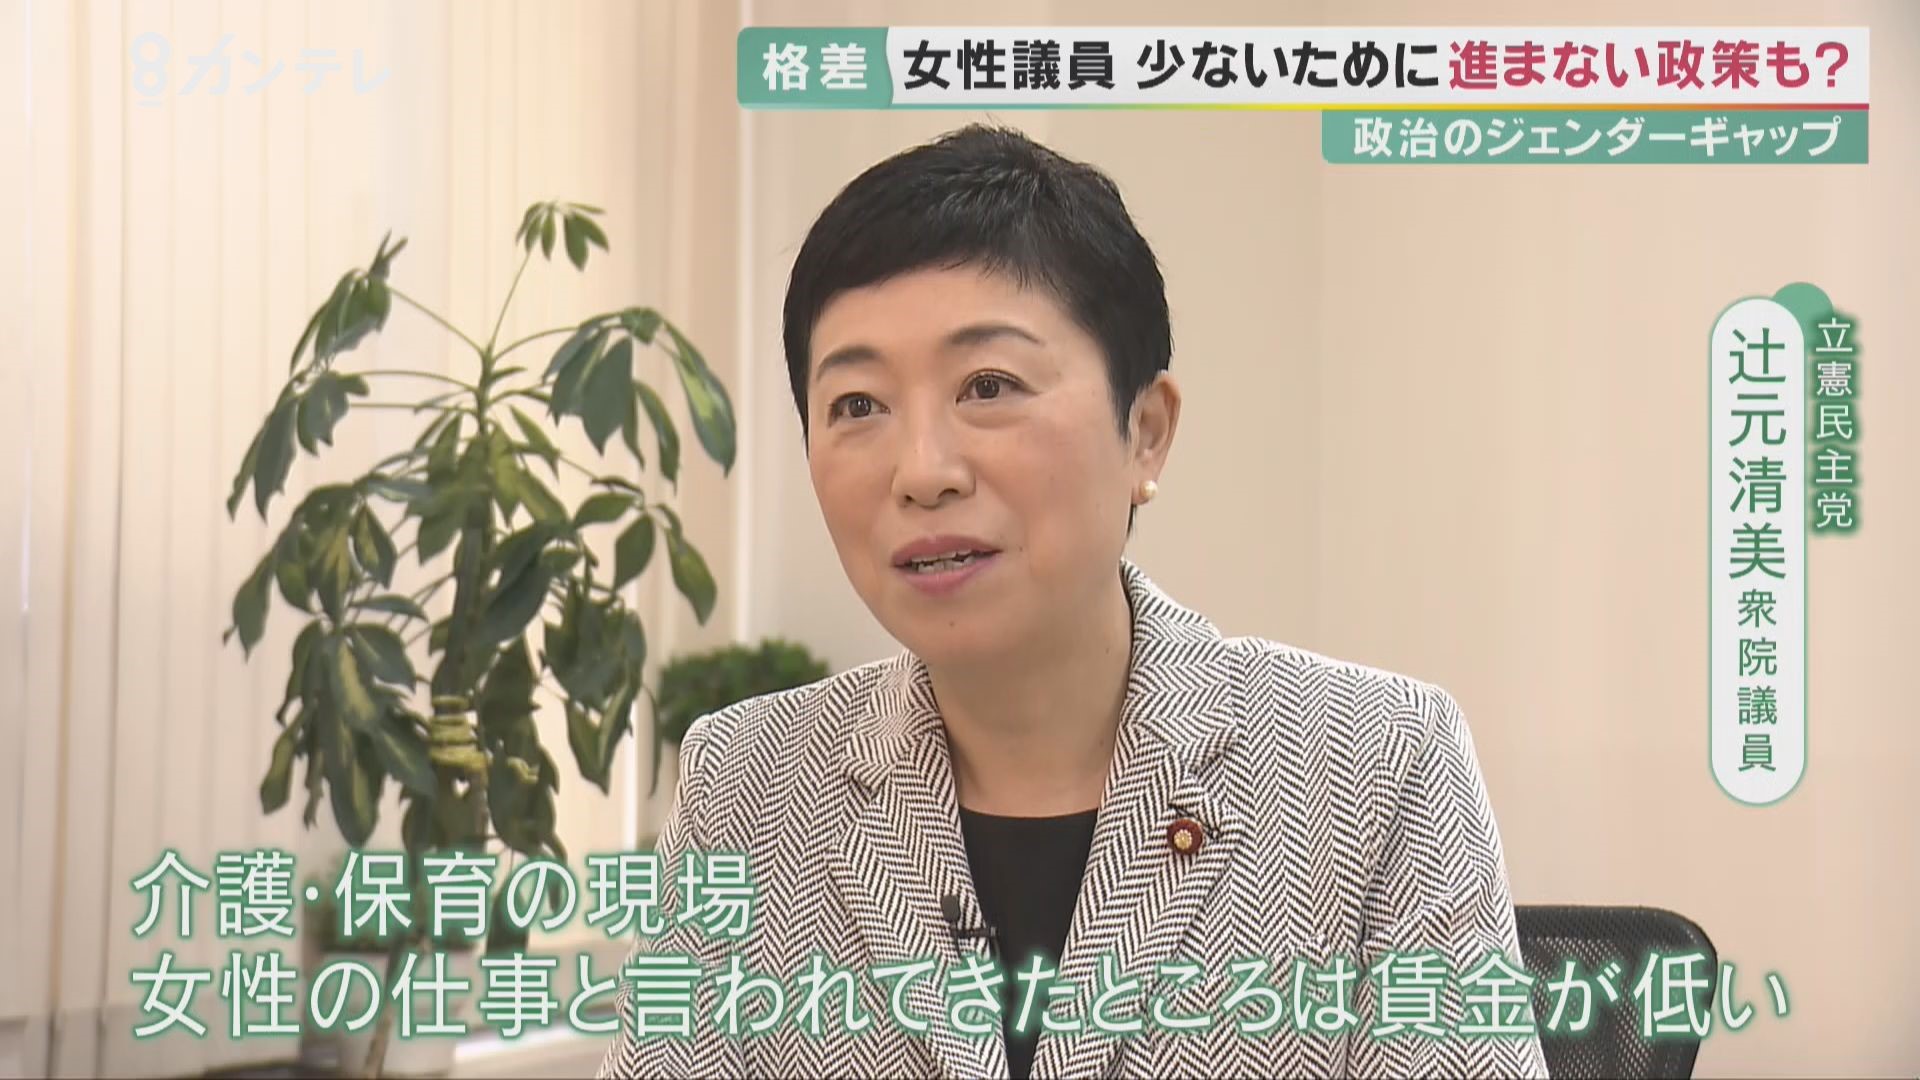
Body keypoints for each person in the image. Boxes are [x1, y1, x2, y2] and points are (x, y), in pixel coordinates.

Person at [597, 124, 1548, 1080]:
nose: (922, 472)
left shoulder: (1375, 765)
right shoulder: (747, 785)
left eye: (989, 385)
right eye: (857, 405)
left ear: (1146, 432)